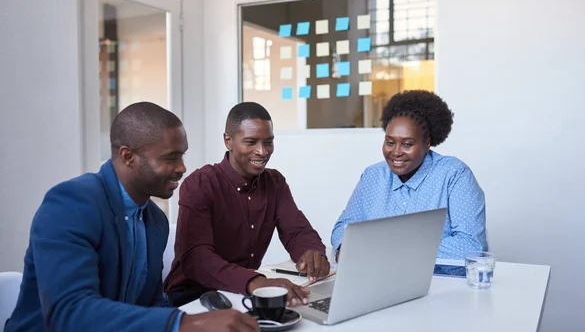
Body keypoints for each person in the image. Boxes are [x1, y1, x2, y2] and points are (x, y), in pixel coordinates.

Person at [0, 102, 259, 332]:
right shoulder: (71, 205)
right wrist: (183, 325)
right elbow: (69, 315)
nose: (182, 167)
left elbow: (151, 303)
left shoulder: (155, 220)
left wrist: (204, 329)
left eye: (182, 156)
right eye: (171, 157)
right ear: (128, 156)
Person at [164, 102, 330, 307]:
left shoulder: (275, 183)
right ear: (228, 141)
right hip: (193, 297)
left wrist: (311, 252)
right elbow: (197, 260)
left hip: (241, 292)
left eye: (268, 142)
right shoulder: (199, 184)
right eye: (250, 142)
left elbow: (297, 230)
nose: (262, 151)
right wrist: (256, 282)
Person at [331, 90, 487, 261]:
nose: (396, 152)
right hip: (377, 275)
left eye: (407, 144)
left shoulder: (454, 175)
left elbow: (470, 245)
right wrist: (346, 247)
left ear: (427, 144)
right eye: (390, 142)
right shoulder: (373, 176)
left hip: (441, 279)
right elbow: (342, 228)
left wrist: (390, 250)